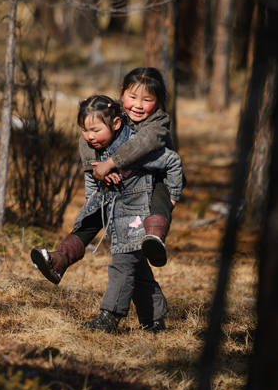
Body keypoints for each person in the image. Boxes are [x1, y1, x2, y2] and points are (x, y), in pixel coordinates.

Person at [32, 93, 183, 332]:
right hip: (113, 206)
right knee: (133, 263)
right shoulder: (95, 147)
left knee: (123, 262)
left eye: (94, 130)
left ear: (115, 123)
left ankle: (110, 316)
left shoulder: (135, 146)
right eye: (84, 130)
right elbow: (90, 176)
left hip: (138, 212)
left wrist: (172, 196)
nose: (89, 137)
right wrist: (90, 200)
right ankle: (153, 320)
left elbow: (172, 161)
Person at [30, 65, 175, 286]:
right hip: (124, 186)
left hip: (156, 181)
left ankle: (154, 240)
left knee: (130, 252)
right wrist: (95, 169)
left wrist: (110, 163)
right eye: (132, 96)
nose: (137, 105)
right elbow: (89, 134)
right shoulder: (117, 116)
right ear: (122, 93)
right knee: (94, 219)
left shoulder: (158, 123)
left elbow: (142, 144)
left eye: (147, 100)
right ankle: (59, 260)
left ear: (159, 101)